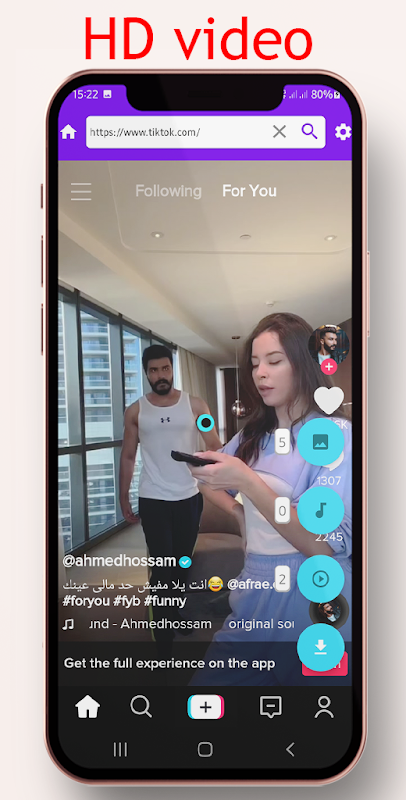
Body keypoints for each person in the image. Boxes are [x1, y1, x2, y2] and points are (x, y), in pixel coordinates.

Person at [187, 312, 352, 686]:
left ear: (303, 364)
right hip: (256, 583)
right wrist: (238, 513)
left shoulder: (336, 435)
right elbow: (208, 479)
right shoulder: (252, 436)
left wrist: (247, 482)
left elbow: (322, 545)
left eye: (274, 361)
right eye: (255, 363)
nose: (260, 373)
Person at [119, 343, 222, 650]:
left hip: (189, 497)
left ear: (172, 369)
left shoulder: (197, 406)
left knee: (181, 564)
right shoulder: (136, 411)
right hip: (153, 500)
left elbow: (214, 444)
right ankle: (162, 631)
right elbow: (128, 456)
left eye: (165, 368)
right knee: (162, 567)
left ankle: (174, 613)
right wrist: (123, 497)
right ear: (146, 373)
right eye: (154, 370)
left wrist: (205, 463)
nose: (160, 375)